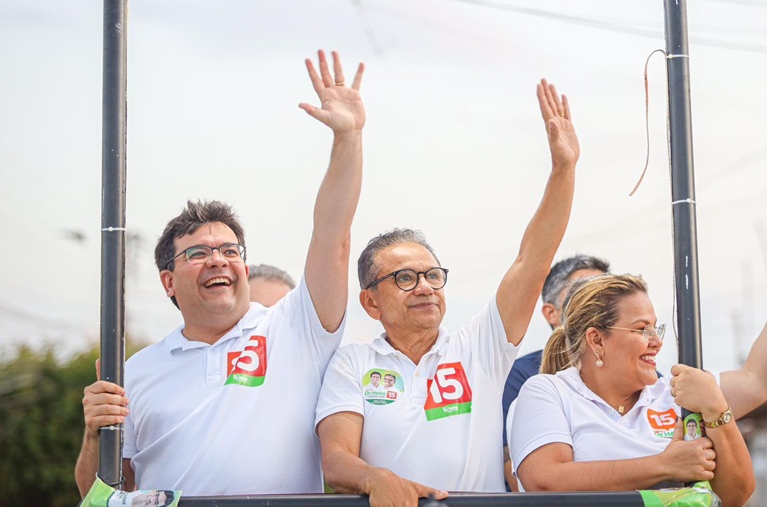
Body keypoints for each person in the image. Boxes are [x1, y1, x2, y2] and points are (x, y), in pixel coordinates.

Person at [75, 50, 366, 496]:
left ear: (244, 267)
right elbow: (99, 496)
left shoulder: (295, 331)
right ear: (168, 281)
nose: (217, 260)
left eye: (229, 250)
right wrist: (95, 432)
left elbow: (333, 235)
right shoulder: (136, 371)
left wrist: (348, 138)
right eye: (197, 253)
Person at [315, 78, 580, 505]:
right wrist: (375, 479)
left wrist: (563, 169)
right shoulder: (353, 363)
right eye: (405, 278)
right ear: (370, 301)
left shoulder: (480, 349)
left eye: (433, 275)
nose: (424, 287)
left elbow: (532, 262)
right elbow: (336, 458)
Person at [510, 240, 767, 507]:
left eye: (655, 327)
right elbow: (545, 480)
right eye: (641, 329)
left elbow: (736, 493)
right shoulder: (547, 391)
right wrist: (664, 465)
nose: (657, 341)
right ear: (596, 340)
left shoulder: (677, 393)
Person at [501, 254, 609, 491]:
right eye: (583, 294)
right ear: (551, 313)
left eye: (607, 296)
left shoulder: (648, 380)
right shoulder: (520, 376)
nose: (600, 306)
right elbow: (518, 475)